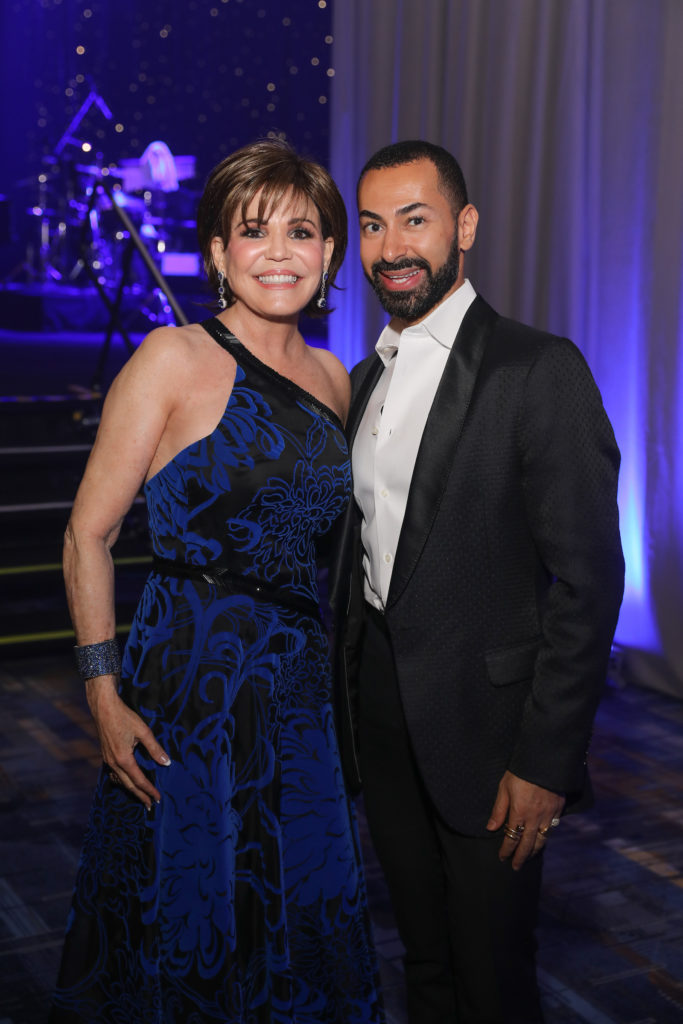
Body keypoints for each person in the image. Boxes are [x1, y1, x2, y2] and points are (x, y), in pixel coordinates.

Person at [50, 139, 384, 1024]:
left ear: (329, 256)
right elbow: (89, 533)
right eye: (253, 231)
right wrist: (102, 694)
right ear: (217, 254)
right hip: (185, 686)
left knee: (299, 905)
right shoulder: (172, 357)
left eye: (302, 232)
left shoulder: (335, 381)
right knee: (187, 909)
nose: (279, 250)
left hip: (297, 689)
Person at [329, 140, 625, 1023]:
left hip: (493, 740)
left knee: (493, 973)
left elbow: (589, 583)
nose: (390, 248)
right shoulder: (363, 378)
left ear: (464, 226)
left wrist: (545, 763)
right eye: (373, 225)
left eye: (414, 220)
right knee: (422, 955)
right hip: (382, 716)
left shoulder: (538, 370)